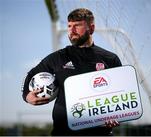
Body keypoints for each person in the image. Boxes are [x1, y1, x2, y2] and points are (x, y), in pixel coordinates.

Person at [22, 8, 121, 136]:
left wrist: (116, 115)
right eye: (69, 26)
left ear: (91, 28)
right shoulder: (57, 58)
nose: (71, 30)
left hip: (100, 133)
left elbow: (120, 95)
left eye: (77, 25)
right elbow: (31, 75)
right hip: (63, 133)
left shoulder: (110, 59)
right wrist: (27, 96)